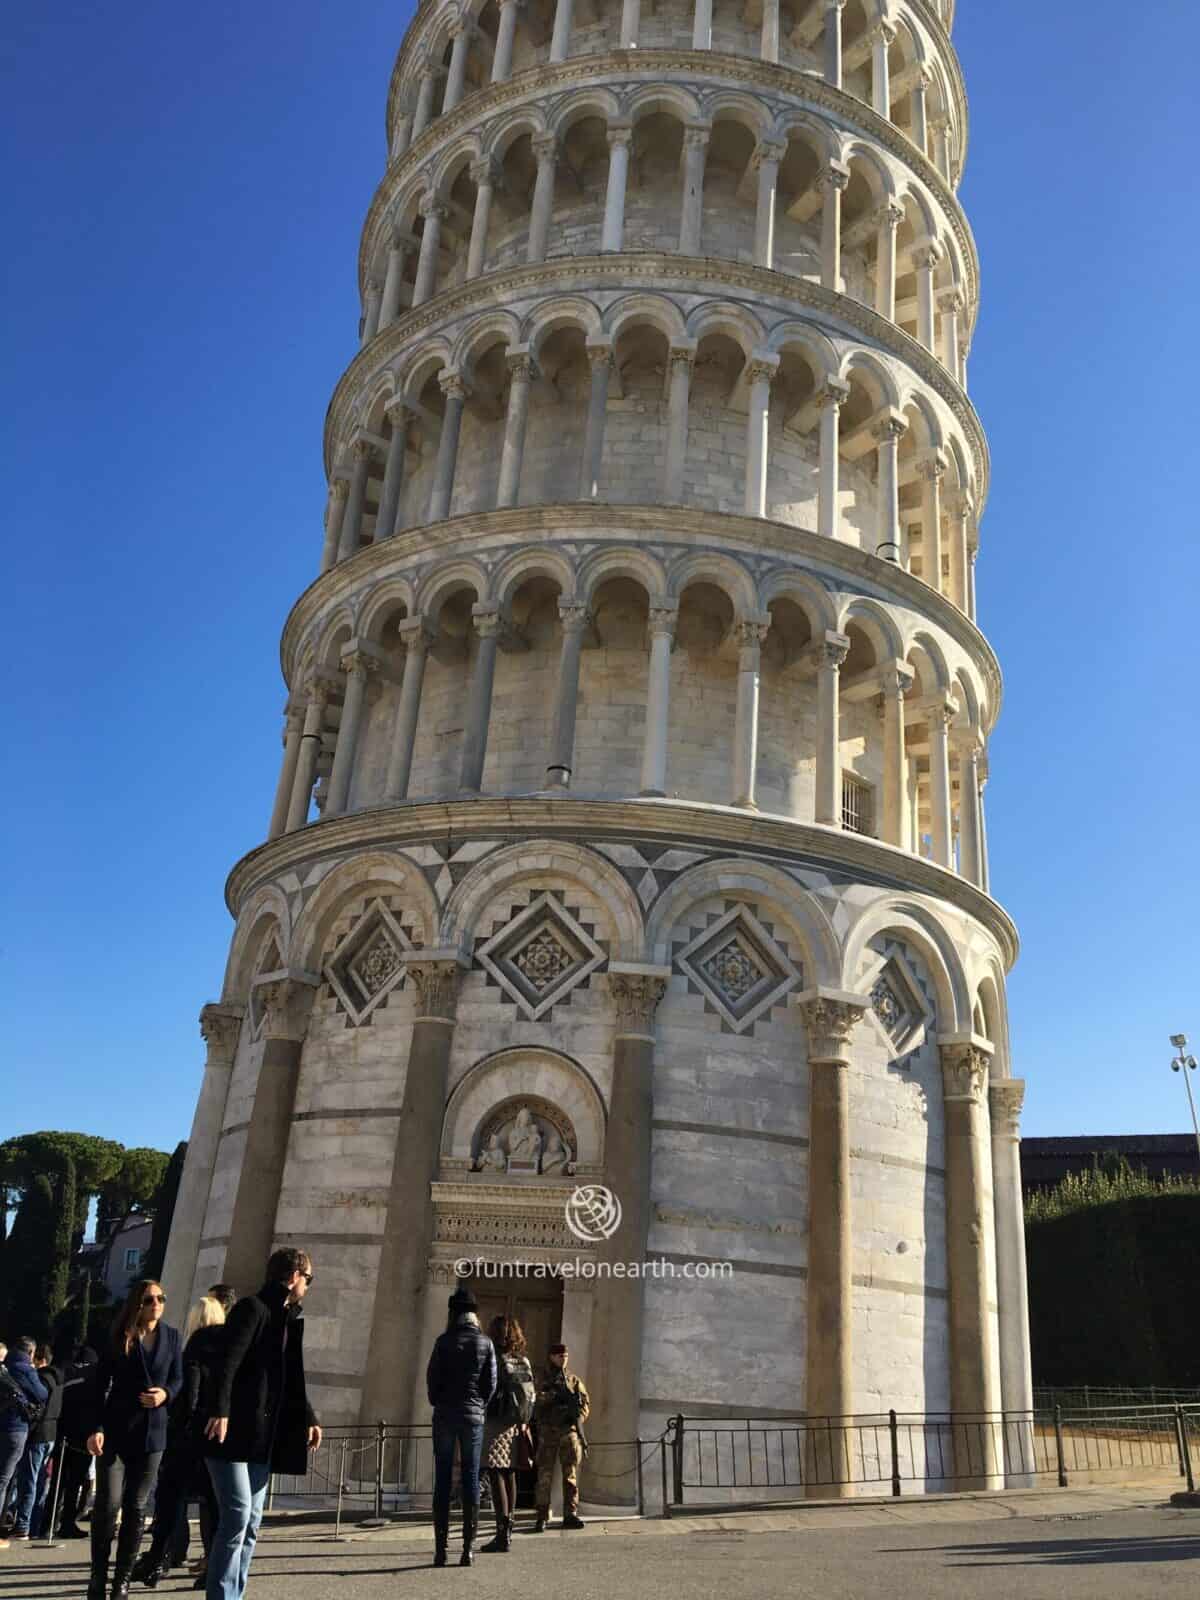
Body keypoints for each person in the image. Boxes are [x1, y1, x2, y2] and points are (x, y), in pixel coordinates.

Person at [203, 1248, 321, 1600]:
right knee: (237, 1516)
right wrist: (219, 1411)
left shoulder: (286, 1318)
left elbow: (289, 1380)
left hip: (261, 1436)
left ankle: (234, 1594)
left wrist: (309, 1417)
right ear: (294, 1276)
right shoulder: (252, 1310)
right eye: (309, 1279)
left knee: (251, 1522)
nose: (309, 1287)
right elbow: (226, 1364)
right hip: (230, 1432)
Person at [86, 1279, 183, 1599]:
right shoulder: (118, 1336)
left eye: (161, 1298)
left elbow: (178, 1379)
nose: (156, 1303)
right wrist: (96, 1427)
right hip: (115, 1430)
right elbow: (99, 1385)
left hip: (153, 1433)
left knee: (136, 1507)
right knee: (107, 1505)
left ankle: (121, 1581)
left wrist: (165, 1394)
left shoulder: (171, 1336)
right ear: (136, 1304)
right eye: (149, 1299)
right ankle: (98, 1577)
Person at [133, 1294, 227, 1590]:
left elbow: (192, 1392)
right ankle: (212, 1565)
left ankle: (159, 1558)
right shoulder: (228, 1350)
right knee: (213, 1507)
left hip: (188, 1437)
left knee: (170, 1500)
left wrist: (181, 1422)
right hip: (218, 1436)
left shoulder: (195, 1345)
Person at [425, 1286, 497, 1568]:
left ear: (454, 1314)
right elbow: (490, 1384)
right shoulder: (486, 1344)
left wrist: (440, 1402)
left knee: (442, 1479)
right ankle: (467, 1549)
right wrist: (478, 1405)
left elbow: (432, 1381)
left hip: (445, 1415)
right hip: (473, 1418)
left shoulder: (442, 1342)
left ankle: (440, 1550)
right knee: (470, 1478)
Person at [480, 1316, 534, 1554]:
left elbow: (487, 1388)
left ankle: (501, 1533)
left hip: (495, 1421)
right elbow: (530, 1394)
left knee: (495, 1473)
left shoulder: (495, 1358)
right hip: (517, 1423)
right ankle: (508, 1530)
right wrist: (525, 1422)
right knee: (509, 1472)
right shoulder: (523, 1361)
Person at [533, 1342, 590, 1532]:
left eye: (565, 1355)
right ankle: (542, 1515)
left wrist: (576, 1417)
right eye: (559, 1355)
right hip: (548, 1431)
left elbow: (584, 1404)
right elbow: (534, 1399)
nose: (563, 1358)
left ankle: (570, 1514)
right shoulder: (543, 1379)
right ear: (551, 1357)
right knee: (544, 1476)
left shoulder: (574, 1381)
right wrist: (553, 1397)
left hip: (568, 1431)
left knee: (570, 1476)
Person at [8, 1343, 63, 1540]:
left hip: (37, 1434)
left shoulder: (40, 1378)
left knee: (28, 1480)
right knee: (40, 1481)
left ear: (39, 1359)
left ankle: (23, 1523)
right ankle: (34, 1524)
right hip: (52, 1434)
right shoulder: (57, 1378)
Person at [0, 1337, 49, 1551]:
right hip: (15, 1428)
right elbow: (42, 1393)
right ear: (31, 1352)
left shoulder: (4, 1367)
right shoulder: (25, 1369)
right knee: (4, 1479)